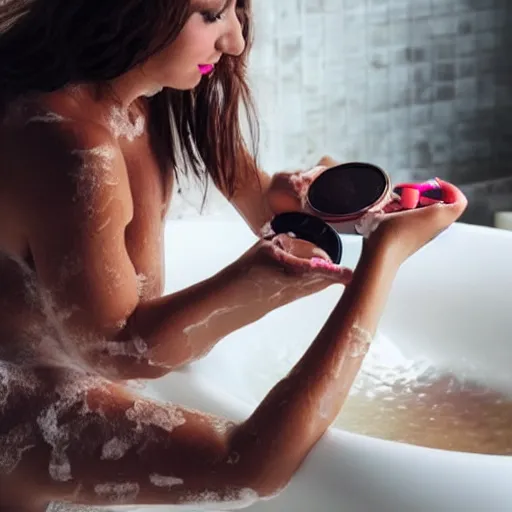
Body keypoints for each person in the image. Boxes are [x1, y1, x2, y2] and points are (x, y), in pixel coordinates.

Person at [0, 0, 467, 510]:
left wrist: (323, 203)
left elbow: (264, 201)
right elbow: (122, 349)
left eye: (235, 10)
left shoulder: (143, 98)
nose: (235, 41)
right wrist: (383, 255)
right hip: (22, 407)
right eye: (210, 14)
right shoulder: (67, 143)